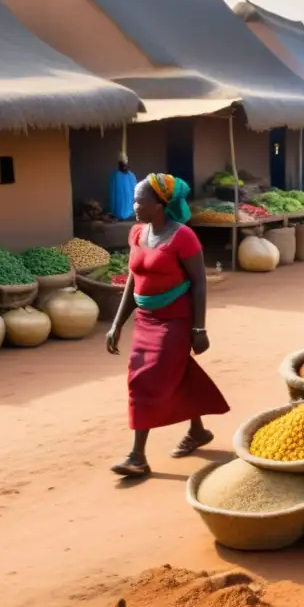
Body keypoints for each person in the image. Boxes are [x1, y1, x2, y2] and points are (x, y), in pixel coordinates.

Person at [106, 174, 229, 477]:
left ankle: (137, 455)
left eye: (140, 200)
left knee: (144, 380)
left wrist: (199, 329)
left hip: (175, 320)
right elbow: (134, 281)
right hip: (146, 321)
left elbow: (199, 282)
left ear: (160, 204)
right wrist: (117, 323)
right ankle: (198, 431)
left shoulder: (183, 237)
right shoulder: (137, 234)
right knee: (178, 374)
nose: (134, 205)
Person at [109, 153, 137, 220]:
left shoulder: (131, 176)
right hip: (119, 212)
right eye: (121, 164)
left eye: (124, 164)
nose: (123, 166)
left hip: (130, 211)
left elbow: (135, 190)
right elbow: (113, 194)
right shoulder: (116, 176)